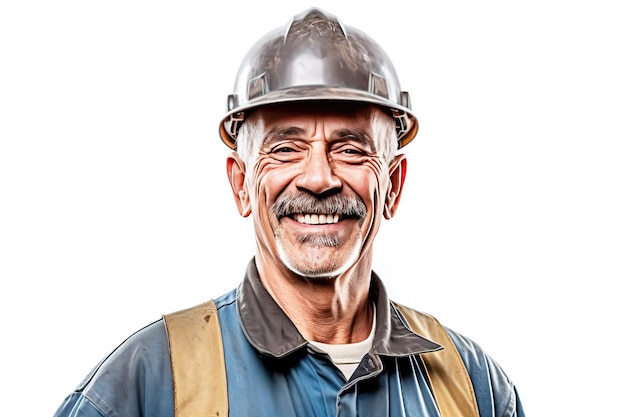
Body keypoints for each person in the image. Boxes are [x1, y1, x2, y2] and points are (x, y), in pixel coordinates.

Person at [53, 7, 525, 417]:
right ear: (240, 183)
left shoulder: (475, 388)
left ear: (394, 185)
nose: (319, 178)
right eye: (286, 149)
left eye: (350, 148)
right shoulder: (149, 384)